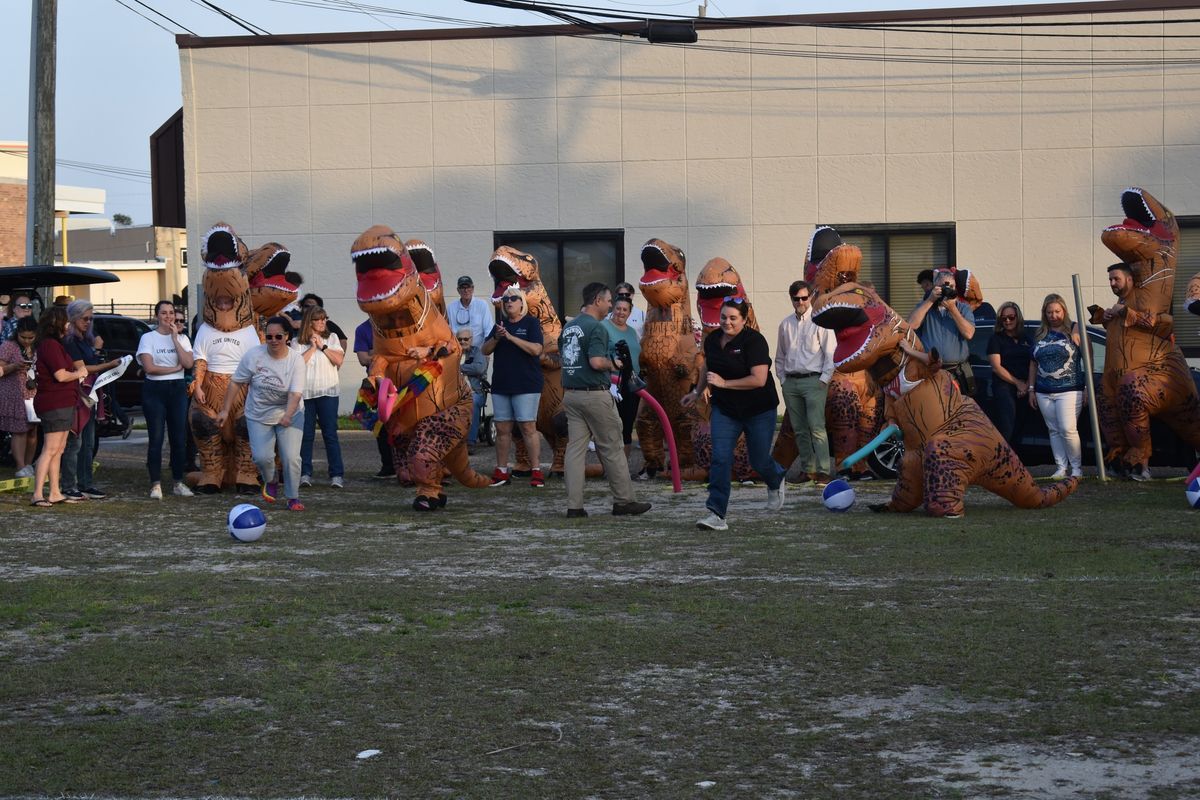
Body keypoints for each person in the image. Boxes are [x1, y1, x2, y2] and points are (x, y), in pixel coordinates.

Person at [682, 297, 787, 531]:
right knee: (720, 457)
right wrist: (697, 392)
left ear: (744, 318)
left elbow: (759, 379)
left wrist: (724, 383)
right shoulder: (712, 340)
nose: (727, 322)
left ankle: (775, 477)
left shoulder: (754, 341)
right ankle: (716, 514)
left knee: (759, 460)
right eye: (723, 317)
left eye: (733, 318)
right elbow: (708, 368)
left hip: (758, 409)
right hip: (726, 409)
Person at [559, 283, 652, 518]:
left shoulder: (569, 327)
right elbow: (597, 362)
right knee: (612, 445)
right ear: (598, 300)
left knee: (575, 450)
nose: (611, 305)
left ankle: (574, 506)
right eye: (609, 300)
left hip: (571, 394)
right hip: (594, 394)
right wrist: (616, 364)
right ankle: (624, 501)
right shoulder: (598, 328)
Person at [217, 316, 307, 511]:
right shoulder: (253, 356)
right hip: (258, 414)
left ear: (287, 337)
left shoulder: (296, 360)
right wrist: (225, 410)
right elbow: (235, 383)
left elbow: (295, 393)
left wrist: (288, 415)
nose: (273, 340)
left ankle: (293, 497)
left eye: (278, 336)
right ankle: (270, 479)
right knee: (261, 457)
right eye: (269, 337)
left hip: (290, 414)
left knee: (291, 457)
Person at [774, 279, 836, 486]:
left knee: (817, 428)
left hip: (814, 381)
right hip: (791, 383)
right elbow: (780, 356)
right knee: (799, 429)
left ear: (810, 297)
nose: (800, 302)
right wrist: (782, 379)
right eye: (796, 298)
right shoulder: (785, 325)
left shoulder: (821, 322)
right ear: (791, 299)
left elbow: (831, 355)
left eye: (804, 297)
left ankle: (824, 471)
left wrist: (823, 380)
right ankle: (808, 471)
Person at [482, 287, 545, 488]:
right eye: (506, 299)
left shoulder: (531, 323)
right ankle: (501, 471)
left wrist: (510, 337)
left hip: (526, 384)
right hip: (502, 384)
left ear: (522, 303)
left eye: (513, 298)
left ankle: (536, 471)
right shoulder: (499, 325)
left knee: (528, 427)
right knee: (502, 428)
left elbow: (536, 349)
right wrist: (497, 338)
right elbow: (485, 350)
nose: (509, 301)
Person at [61, 300, 122, 501]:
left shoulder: (85, 339)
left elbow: (91, 364)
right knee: (75, 443)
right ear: (73, 318)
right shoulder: (70, 341)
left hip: (91, 394)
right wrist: (108, 363)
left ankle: (85, 483)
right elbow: (82, 368)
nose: (88, 322)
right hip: (78, 395)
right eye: (84, 318)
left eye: (91, 318)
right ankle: (69, 485)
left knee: (88, 442)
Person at [29, 307, 89, 507]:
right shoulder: (50, 345)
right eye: (65, 321)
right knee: (50, 448)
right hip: (54, 403)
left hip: (63, 401)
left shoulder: (52, 344)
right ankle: (37, 493)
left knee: (59, 448)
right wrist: (80, 373)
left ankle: (55, 491)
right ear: (56, 324)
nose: (68, 325)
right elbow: (61, 375)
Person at [137, 300, 195, 499]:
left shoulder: (182, 338)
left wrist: (175, 338)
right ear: (157, 316)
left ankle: (178, 482)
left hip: (177, 390)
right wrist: (173, 369)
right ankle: (155, 484)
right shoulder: (148, 338)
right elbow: (149, 368)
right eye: (164, 313)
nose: (168, 316)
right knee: (156, 438)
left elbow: (188, 363)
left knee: (179, 438)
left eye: (171, 313)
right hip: (155, 390)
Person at [1027, 293, 1085, 480]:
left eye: (1057, 311)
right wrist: (1031, 389)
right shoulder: (1039, 334)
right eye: (1049, 312)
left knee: (1068, 428)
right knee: (1053, 429)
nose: (1054, 315)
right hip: (1043, 391)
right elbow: (1033, 364)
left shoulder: (1074, 330)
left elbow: (1088, 358)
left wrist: (1087, 389)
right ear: (1045, 313)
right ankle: (1061, 468)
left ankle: (1076, 468)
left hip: (1069, 389)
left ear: (1064, 311)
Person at [294, 305, 346, 489]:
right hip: (305, 395)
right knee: (306, 435)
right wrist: (311, 346)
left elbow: (339, 360)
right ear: (310, 321)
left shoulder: (331, 338)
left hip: (328, 394)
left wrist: (322, 346)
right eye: (319, 319)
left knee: (330, 434)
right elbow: (296, 365)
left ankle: (337, 475)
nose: (323, 321)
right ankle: (305, 474)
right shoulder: (297, 342)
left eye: (325, 318)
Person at [908, 267, 977, 396]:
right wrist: (930, 300)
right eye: (943, 286)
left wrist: (952, 309)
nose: (948, 289)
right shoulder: (925, 306)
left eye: (951, 286)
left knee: (958, 412)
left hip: (957, 372)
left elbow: (969, 333)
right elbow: (911, 325)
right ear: (935, 287)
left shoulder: (963, 308)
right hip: (930, 370)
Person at [986, 301, 1034, 446]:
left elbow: (1034, 363)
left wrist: (1026, 386)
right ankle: (1001, 463)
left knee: (1020, 430)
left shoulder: (1027, 338)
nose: (1007, 321)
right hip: (1004, 387)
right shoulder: (996, 339)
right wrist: (1018, 383)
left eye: (1011, 317)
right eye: (1003, 318)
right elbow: (996, 367)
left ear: (1018, 318)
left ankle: (1015, 464)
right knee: (1006, 429)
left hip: (1024, 388)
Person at [354, 317, 395, 479]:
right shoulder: (362, 329)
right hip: (377, 385)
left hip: (402, 380)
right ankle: (388, 465)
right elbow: (363, 359)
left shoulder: (396, 323)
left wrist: (374, 352)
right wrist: (385, 353)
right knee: (381, 425)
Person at [602, 293, 642, 458]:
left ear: (630, 312)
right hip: (612, 383)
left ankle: (623, 467)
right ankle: (610, 466)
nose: (621, 312)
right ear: (613, 308)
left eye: (625, 309)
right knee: (611, 426)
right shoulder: (603, 326)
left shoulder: (632, 332)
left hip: (632, 385)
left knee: (627, 425)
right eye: (618, 308)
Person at [0, 317, 39, 478]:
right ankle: (20, 466)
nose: (27, 341)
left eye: (31, 337)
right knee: (19, 430)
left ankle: (28, 465)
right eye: (23, 337)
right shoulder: (8, 346)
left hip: (33, 393)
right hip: (13, 394)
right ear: (17, 333)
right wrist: (14, 366)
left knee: (32, 430)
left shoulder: (37, 347)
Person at [457, 328, 488, 451]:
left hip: (476, 392)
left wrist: (458, 367)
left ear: (471, 339)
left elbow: (479, 369)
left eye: (466, 339)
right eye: (459, 339)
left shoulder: (478, 352)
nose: (463, 341)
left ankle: (470, 442)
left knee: (472, 403)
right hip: (455, 392)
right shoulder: (453, 353)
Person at [450, 275, 495, 349]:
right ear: (458, 290)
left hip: (478, 351)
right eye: (462, 287)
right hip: (457, 351)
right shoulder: (451, 307)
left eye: (468, 287)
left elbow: (488, 329)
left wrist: (486, 350)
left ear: (473, 288)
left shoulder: (482, 305)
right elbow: (449, 331)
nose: (466, 290)